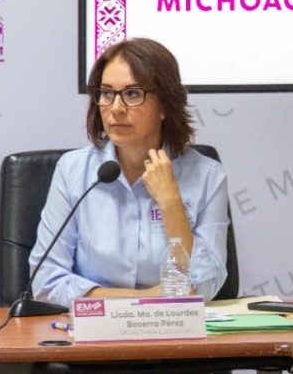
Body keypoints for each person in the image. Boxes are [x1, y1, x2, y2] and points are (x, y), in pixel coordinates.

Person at [29, 38, 229, 306]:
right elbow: (46, 281)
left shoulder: (207, 176)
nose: (116, 108)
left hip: (175, 328)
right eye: (107, 93)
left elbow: (205, 286)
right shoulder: (73, 171)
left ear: (165, 106)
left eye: (133, 94)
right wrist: (143, 298)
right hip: (92, 327)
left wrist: (171, 203)